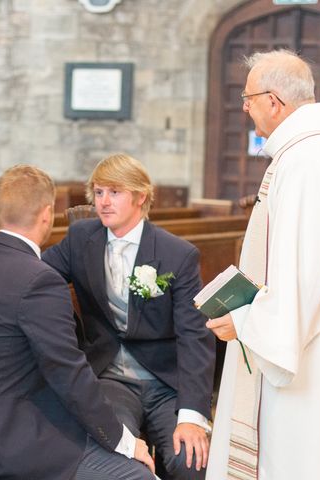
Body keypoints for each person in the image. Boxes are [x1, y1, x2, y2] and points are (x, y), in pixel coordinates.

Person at [206, 50, 320, 480]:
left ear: (273, 101)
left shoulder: (307, 162)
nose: (244, 108)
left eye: (248, 99)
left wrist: (243, 319)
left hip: (308, 370)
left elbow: (306, 283)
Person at [0, 164, 156, 480]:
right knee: (136, 475)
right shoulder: (40, 280)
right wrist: (124, 441)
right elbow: (68, 372)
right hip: (12, 445)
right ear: (47, 214)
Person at [43, 154, 216, 479]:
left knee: (191, 463)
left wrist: (192, 415)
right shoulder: (81, 238)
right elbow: (35, 272)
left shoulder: (177, 255)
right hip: (110, 379)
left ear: (141, 196)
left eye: (115, 192)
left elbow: (195, 336)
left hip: (166, 382)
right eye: (98, 193)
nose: (104, 202)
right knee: (118, 464)